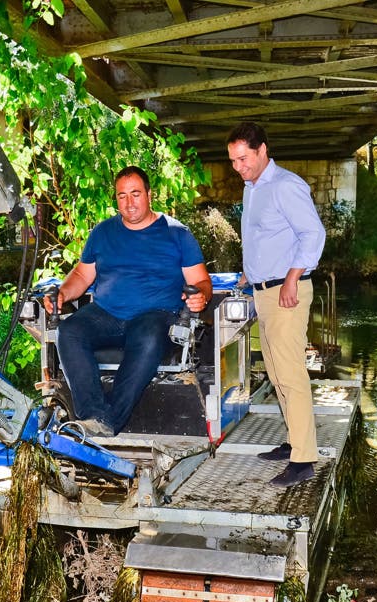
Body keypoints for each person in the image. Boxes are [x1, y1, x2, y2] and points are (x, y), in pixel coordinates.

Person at [45, 166, 211, 437]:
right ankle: (91, 417)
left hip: (155, 316)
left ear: (149, 194)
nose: (129, 203)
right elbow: (82, 275)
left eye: (135, 194)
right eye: (122, 196)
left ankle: (109, 422)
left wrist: (200, 296)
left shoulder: (177, 233)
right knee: (69, 331)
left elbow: (202, 281)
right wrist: (63, 293)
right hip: (107, 314)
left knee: (147, 335)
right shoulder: (102, 233)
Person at [226, 122, 326, 488]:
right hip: (262, 292)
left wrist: (289, 278)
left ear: (262, 149)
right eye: (233, 160)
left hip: (288, 291)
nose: (238, 167)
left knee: (291, 374)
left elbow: (313, 234)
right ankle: (293, 441)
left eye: (243, 159)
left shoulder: (286, 185)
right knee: (275, 372)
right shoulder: (252, 188)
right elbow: (263, 239)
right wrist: (247, 274)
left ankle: (304, 461)